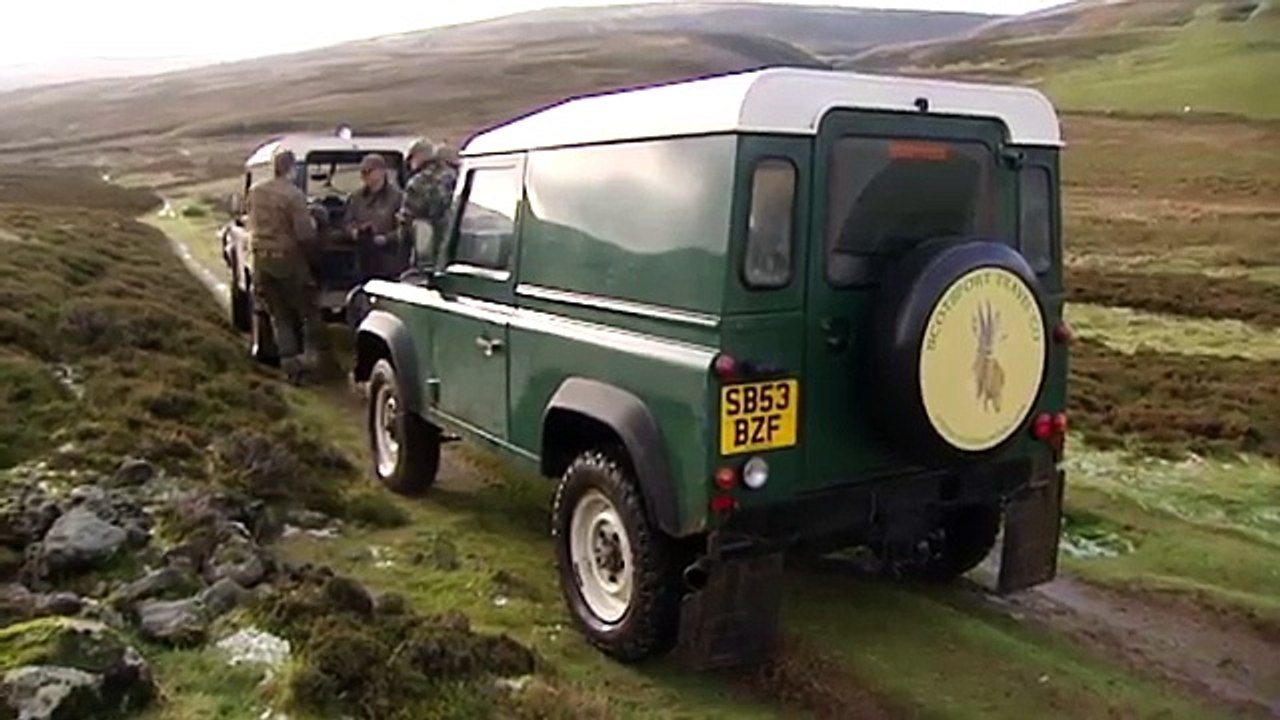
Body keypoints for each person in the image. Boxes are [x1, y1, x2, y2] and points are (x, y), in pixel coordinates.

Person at [246, 148, 331, 385]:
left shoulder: (255, 192)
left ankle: (290, 367)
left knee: (279, 315)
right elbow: (304, 235)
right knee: (308, 312)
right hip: (287, 260)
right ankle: (312, 362)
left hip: (261, 260)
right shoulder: (293, 195)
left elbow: (250, 221)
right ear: (292, 169)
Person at [343, 153, 406, 280]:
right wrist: (353, 232)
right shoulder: (356, 198)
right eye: (362, 172)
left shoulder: (398, 197)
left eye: (369, 171)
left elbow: (404, 229)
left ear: (382, 171)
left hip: (389, 259)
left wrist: (386, 238)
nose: (365, 176)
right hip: (363, 257)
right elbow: (347, 222)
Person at [400, 138, 459, 267]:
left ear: (419, 156)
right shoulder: (454, 176)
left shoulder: (418, 182)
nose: (410, 163)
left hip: (429, 253)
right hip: (457, 249)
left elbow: (407, 224)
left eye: (411, 158)